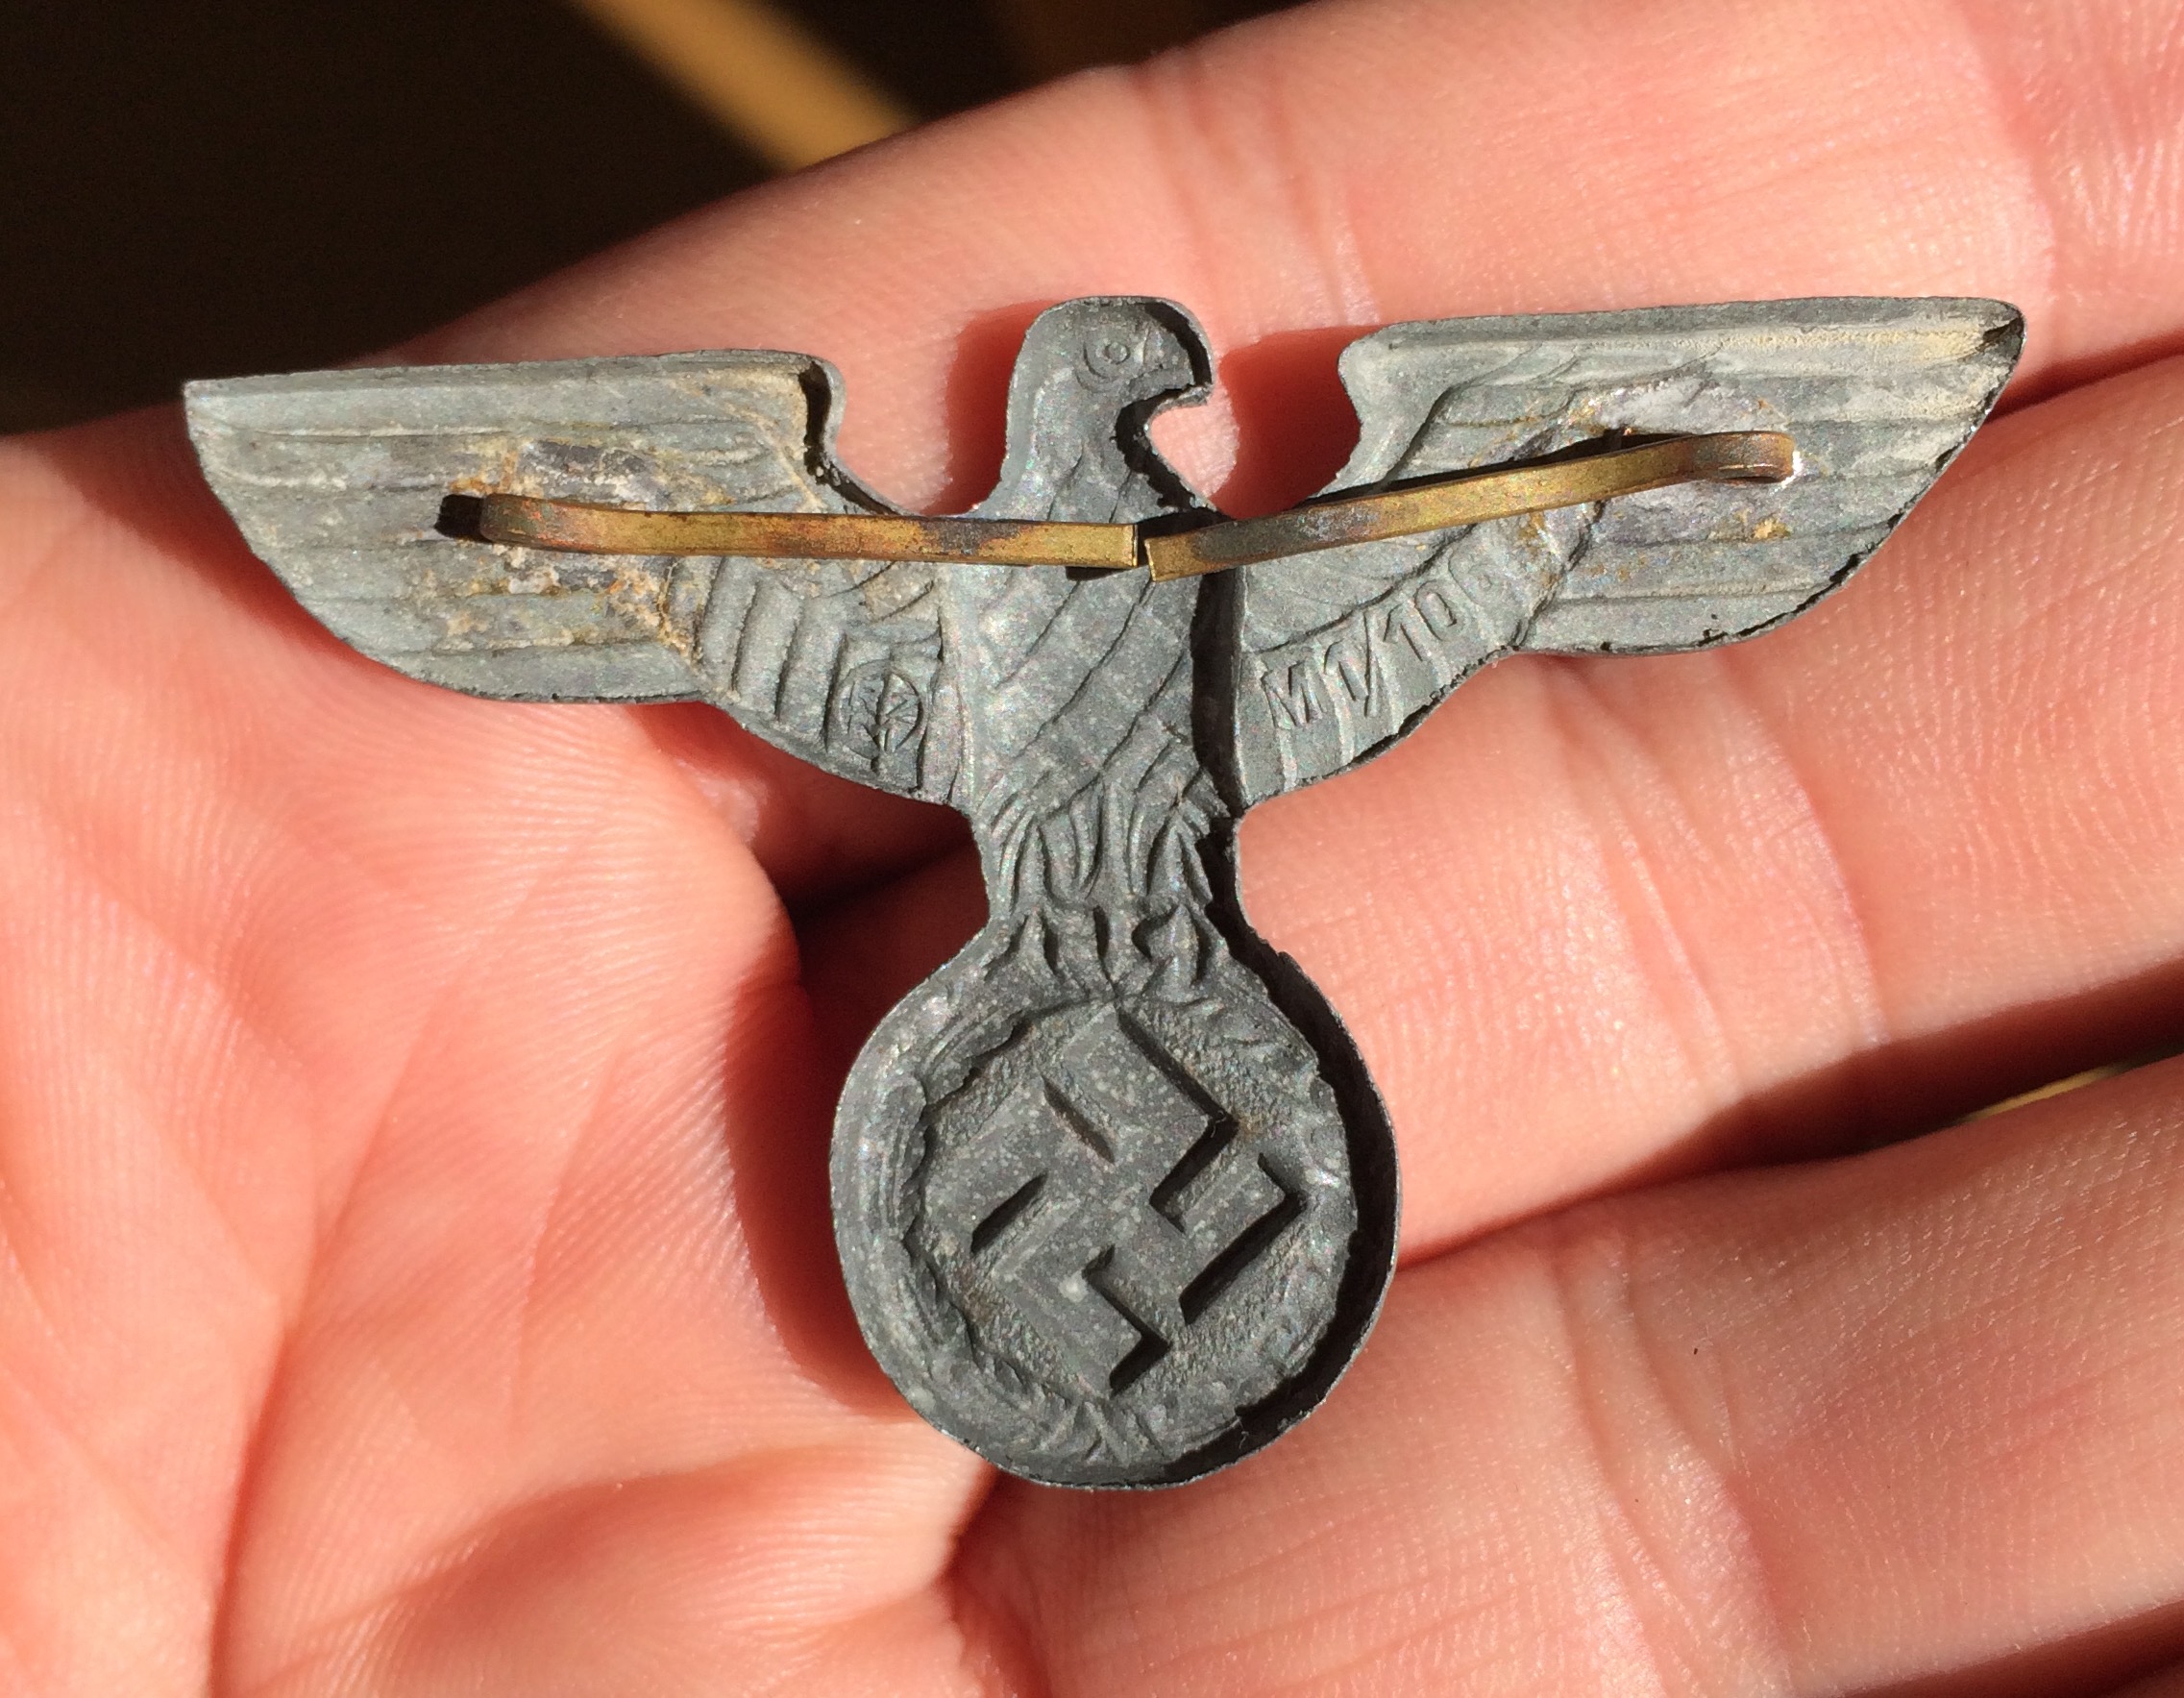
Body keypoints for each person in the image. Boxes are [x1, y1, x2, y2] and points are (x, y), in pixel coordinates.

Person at [4, 0, 2182, 1689]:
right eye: (1143, 385)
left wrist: (1544, 481)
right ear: (1088, 401)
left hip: (1169, 956)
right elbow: (560, 527)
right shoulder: (913, 592)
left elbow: (1540, 515)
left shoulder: (1262, 580)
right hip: (1042, 963)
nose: (1175, 407)